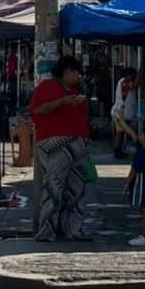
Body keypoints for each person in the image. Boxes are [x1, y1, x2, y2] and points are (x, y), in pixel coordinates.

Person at [29, 56, 91, 242]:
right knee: (54, 187)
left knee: (76, 189)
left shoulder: (75, 91)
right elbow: (37, 110)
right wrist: (61, 102)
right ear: (66, 71)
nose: (78, 76)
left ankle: (73, 229)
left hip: (78, 142)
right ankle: (47, 230)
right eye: (76, 72)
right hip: (55, 143)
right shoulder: (47, 87)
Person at [110, 67, 138, 160]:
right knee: (120, 133)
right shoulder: (124, 82)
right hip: (120, 112)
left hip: (119, 111)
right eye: (132, 75)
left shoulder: (121, 81)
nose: (133, 77)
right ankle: (117, 151)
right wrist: (141, 71)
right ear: (128, 75)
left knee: (120, 133)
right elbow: (134, 86)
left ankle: (118, 151)